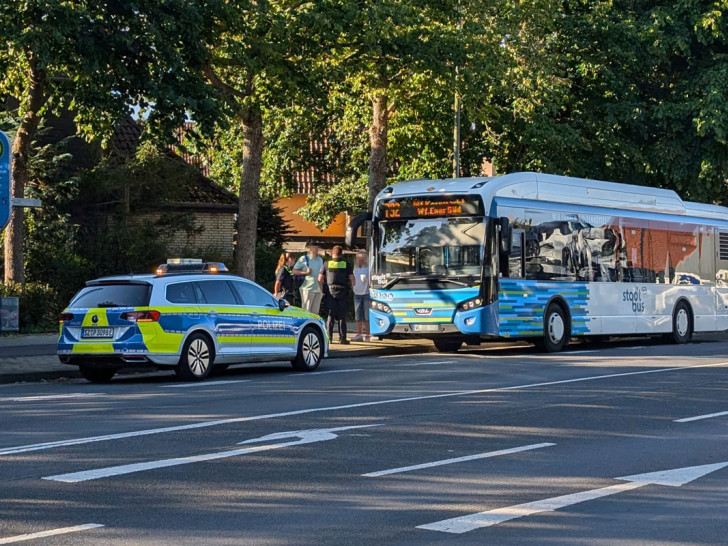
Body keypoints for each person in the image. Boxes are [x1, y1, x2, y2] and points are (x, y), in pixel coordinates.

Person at [318, 245, 355, 344]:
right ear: (341, 254)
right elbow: (352, 279)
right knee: (342, 316)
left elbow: (320, 279)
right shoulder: (346, 264)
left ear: (332, 253)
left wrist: (322, 290)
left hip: (330, 292)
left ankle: (329, 338)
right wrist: (351, 288)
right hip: (342, 292)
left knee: (330, 315)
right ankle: (342, 338)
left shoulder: (326, 264)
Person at [292, 242, 324, 315]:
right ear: (310, 249)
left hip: (318, 289)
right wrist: (305, 272)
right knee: (306, 311)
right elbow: (294, 271)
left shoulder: (320, 259)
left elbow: (321, 274)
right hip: (307, 288)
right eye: (315, 248)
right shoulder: (304, 259)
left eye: (317, 248)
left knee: (315, 313)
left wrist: (322, 290)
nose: (317, 250)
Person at [351, 250, 370, 342]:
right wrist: (352, 285)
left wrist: (366, 279)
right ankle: (359, 333)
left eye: (362, 259)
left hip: (366, 293)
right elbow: (352, 278)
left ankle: (367, 334)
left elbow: (372, 280)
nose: (360, 261)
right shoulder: (355, 268)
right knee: (358, 314)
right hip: (357, 293)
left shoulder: (368, 269)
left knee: (366, 315)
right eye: (359, 259)